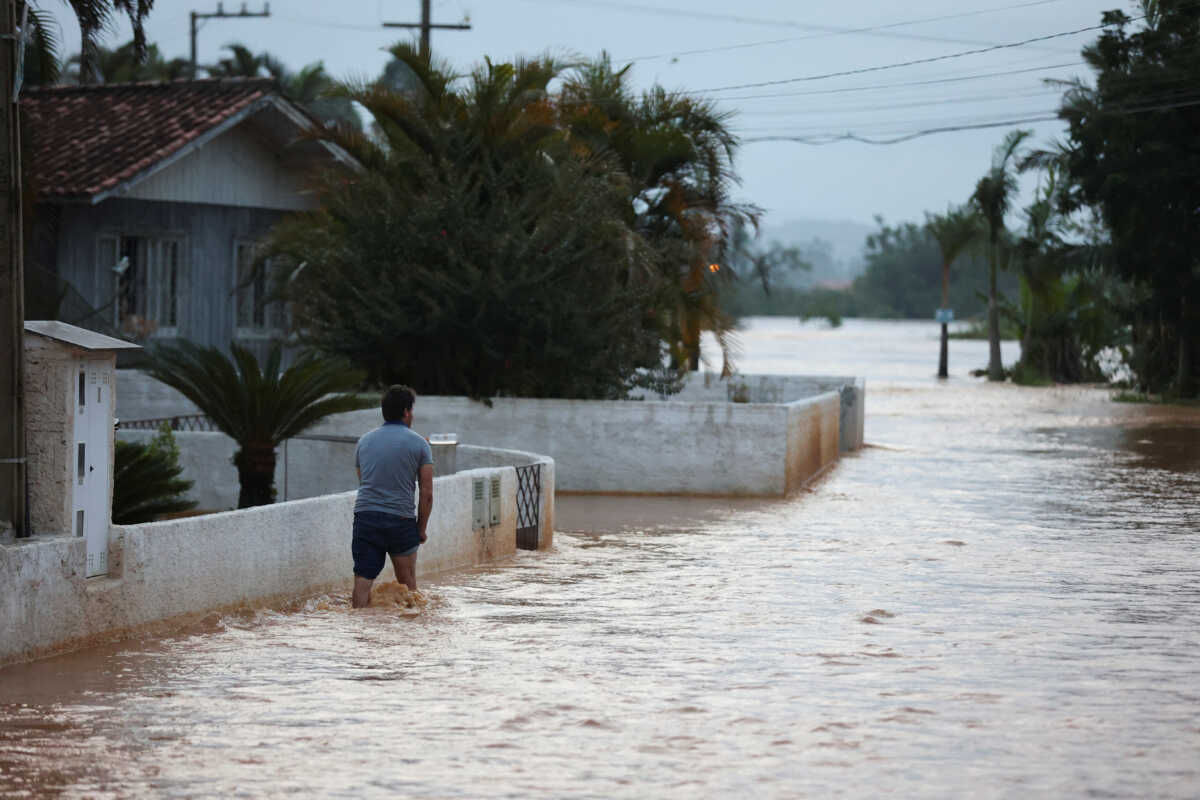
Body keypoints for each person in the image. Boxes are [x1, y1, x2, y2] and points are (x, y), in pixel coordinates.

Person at [351, 385, 434, 608]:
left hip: (366, 517)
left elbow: (365, 481)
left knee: (362, 582)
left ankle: (356, 634)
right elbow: (427, 493)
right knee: (408, 585)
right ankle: (411, 635)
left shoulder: (364, 442)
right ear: (406, 412)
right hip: (401, 521)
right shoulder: (420, 444)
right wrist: (421, 529)